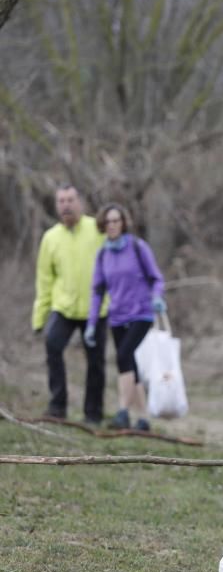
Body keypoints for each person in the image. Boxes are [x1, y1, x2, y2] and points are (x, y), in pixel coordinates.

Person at [84, 203, 166, 431]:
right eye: (108, 221)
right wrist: (91, 324)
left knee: (123, 355)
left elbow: (156, 278)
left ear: (123, 223)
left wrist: (157, 297)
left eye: (116, 220)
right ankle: (143, 419)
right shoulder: (103, 255)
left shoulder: (138, 247)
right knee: (131, 365)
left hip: (141, 313)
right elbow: (97, 291)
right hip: (117, 317)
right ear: (102, 224)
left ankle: (122, 412)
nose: (112, 225)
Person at [31, 184, 108, 423]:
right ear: (56, 206)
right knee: (53, 346)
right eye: (61, 201)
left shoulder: (97, 230)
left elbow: (113, 268)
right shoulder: (51, 238)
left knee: (96, 361)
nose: (66, 205)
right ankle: (57, 407)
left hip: (96, 310)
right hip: (63, 307)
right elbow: (44, 279)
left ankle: (93, 413)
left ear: (80, 203)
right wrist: (39, 316)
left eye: (70, 200)